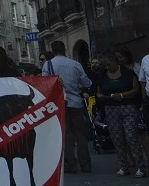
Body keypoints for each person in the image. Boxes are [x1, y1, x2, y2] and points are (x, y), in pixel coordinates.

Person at [42, 40, 93, 173]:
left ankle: (70, 164)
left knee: (66, 135)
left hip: (60, 104)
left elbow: (45, 85)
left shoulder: (48, 65)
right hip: (76, 103)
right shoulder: (75, 64)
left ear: (52, 50)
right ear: (64, 49)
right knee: (81, 135)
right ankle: (85, 164)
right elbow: (86, 82)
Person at [95, 53, 145, 177]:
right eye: (105, 65)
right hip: (111, 108)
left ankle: (141, 167)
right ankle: (123, 165)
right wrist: (100, 96)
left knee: (131, 135)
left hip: (128, 107)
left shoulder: (128, 73)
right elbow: (99, 91)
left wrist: (122, 95)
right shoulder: (102, 75)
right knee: (117, 137)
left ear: (116, 62)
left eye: (109, 64)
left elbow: (136, 89)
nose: (107, 67)